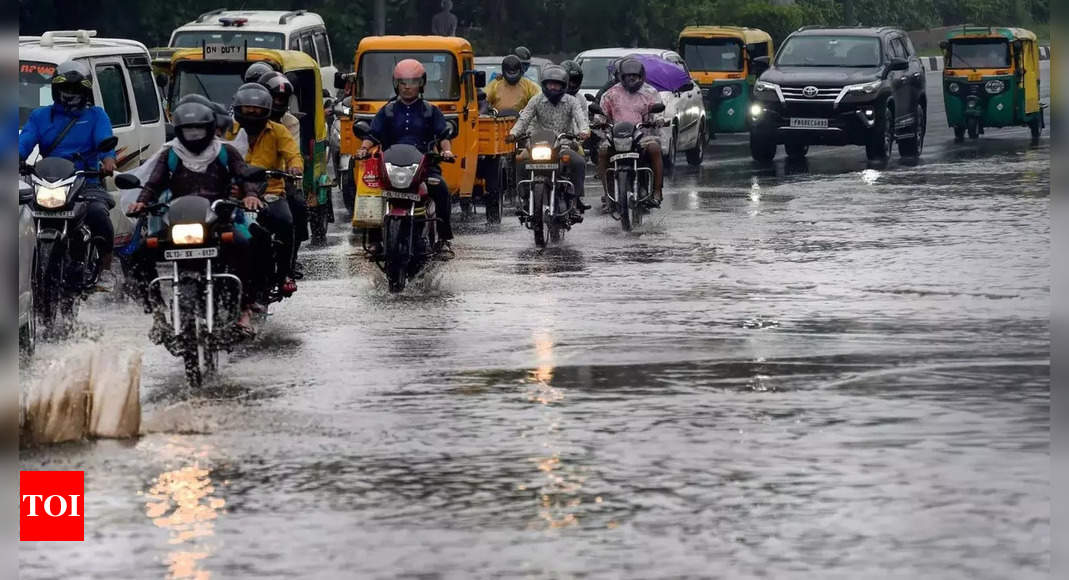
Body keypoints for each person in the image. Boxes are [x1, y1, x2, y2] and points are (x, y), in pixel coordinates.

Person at [126, 101, 262, 332]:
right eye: (189, 130)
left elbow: (244, 176)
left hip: (218, 221)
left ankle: (244, 309)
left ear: (210, 128)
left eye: (198, 129)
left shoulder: (225, 152)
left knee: (248, 246)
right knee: (138, 255)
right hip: (180, 222)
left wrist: (250, 195)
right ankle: (156, 311)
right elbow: (154, 182)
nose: (194, 135)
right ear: (179, 130)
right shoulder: (171, 154)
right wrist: (141, 202)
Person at [19, 60, 118, 291]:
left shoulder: (96, 115)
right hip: (48, 182)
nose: (69, 94)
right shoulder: (40, 116)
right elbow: (23, 144)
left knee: (98, 215)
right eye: (65, 89)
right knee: (22, 217)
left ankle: (104, 270)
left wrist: (108, 161)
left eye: (75, 90)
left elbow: (106, 146)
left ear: (85, 91)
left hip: (86, 182)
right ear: (55, 89)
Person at [356, 59, 457, 257]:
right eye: (403, 82)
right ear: (396, 85)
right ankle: (375, 241)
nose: (407, 87)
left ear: (421, 84)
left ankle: (444, 239)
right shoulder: (387, 111)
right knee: (372, 192)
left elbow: (443, 137)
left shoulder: (430, 111)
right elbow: (372, 136)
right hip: (391, 167)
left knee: (441, 189)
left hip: (425, 166)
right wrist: (363, 149)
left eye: (412, 82)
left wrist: (446, 151)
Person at [230, 82, 303, 297]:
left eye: (257, 108)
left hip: (270, 191)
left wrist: (295, 166)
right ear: (237, 109)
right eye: (247, 107)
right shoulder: (228, 131)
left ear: (267, 110)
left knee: (285, 221)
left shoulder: (279, 130)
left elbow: (292, 153)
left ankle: (284, 273)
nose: (252, 112)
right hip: (234, 192)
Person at [506, 65, 591, 214]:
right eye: (550, 84)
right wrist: (513, 133)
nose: (553, 87)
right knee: (520, 160)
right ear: (544, 84)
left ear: (563, 86)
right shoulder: (536, 100)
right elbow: (524, 118)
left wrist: (584, 131)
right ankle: (524, 199)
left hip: (563, 143)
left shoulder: (572, 101)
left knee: (578, 162)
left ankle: (575, 200)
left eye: (557, 84)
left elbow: (580, 118)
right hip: (539, 144)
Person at [257, 70, 308, 272]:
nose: (278, 102)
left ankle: (289, 262)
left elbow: (292, 153)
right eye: (274, 97)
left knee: (297, 208)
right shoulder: (238, 123)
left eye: (282, 99)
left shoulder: (286, 125)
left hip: (277, 182)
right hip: (244, 184)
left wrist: (293, 168)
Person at [597, 58, 664, 207]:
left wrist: (656, 120)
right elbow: (601, 114)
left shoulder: (650, 92)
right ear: (621, 76)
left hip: (643, 137)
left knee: (654, 149)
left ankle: (657, 192)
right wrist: (599, 121)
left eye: (635, 76)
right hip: (616, 137)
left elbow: (658, 114)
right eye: (628, 76)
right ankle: (608, 194)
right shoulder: (610, 94)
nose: (632, 79)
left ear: (641, 76)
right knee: (602, 151)